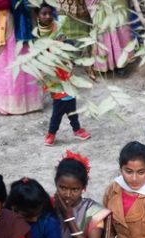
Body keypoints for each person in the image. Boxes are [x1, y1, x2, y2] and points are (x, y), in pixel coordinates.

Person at [37, 4, 92, 146]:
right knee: (57, 113)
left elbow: (67, 45)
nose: (48, 16)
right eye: (44, 13)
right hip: (56, 82)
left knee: (72, 110)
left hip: (67, 80)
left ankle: (77, 129)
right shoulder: (38, 34)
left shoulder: (58, 29)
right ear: (38, 15)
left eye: (50, 13)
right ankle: (51, 134)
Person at [0, 0, 44, 115]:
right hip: (3, 20)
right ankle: (9, 103)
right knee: (5, 61)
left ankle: (26, 102)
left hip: (21, 20)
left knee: (22, 58)